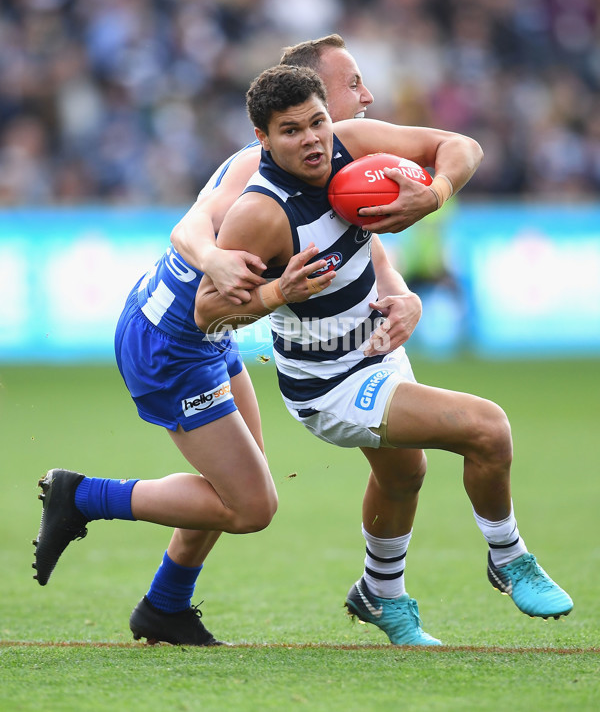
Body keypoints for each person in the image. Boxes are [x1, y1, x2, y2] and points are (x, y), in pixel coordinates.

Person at [193, 64, 573, 645]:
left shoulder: (352, 145)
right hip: (330, 385)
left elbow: (461, 146)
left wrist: (433, 198)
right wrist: (277, 293)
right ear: (263, 139)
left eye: (318, 121)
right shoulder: (261, 214)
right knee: (488, 429)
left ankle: (380, 593)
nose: (314, 139)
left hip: (379, 350)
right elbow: (207, 313)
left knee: (404, 477)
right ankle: (509, 557)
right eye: (291, 130)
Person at [30, 35, 381, 647]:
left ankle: (165, 606)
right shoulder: (258, 166)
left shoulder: (325, 160)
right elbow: (194, 232)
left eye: (326, 115)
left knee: (238, 485)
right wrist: (237, 274)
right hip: (174, 336)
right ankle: (82, 496)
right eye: (350, 85)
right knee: (251, 507)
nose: (366, 97)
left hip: (205, 330)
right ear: (279, 122)